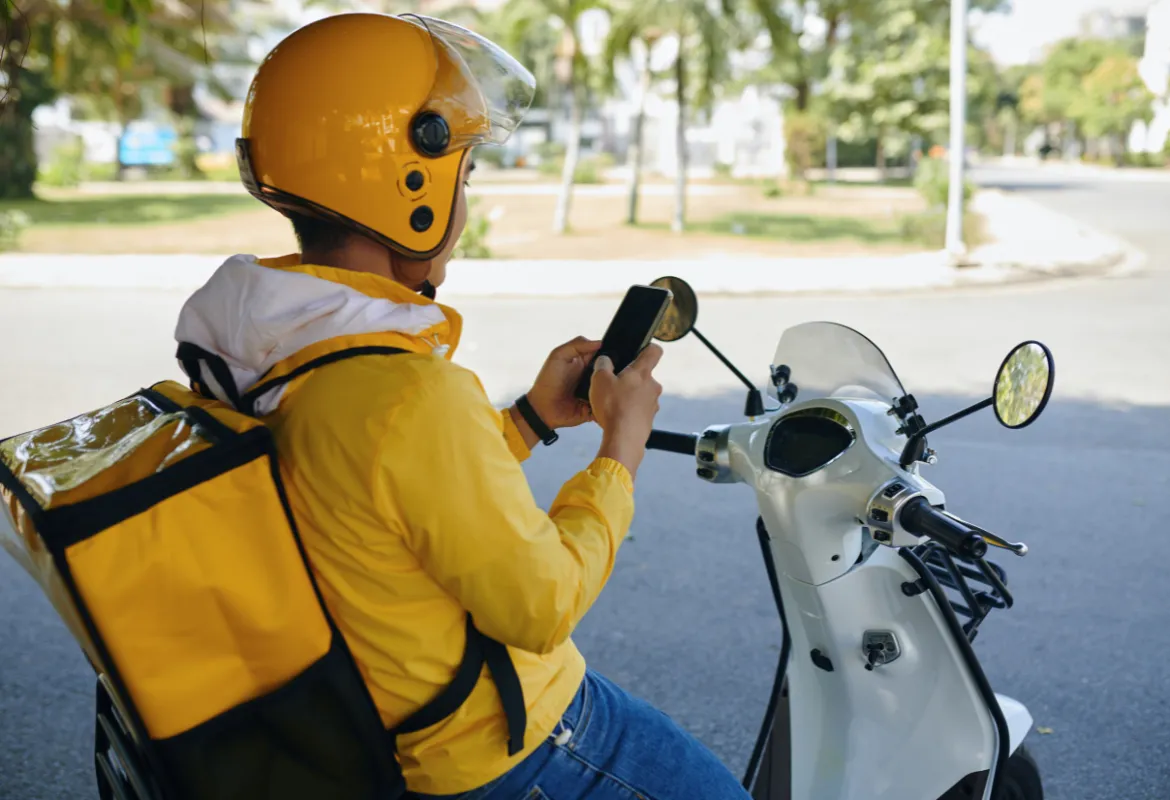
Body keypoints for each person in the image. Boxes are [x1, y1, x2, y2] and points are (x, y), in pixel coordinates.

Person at [173, 12, 752, 800]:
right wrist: (622, 447)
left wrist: (530, 423)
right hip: (517, 750)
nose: (466, 199)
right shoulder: (407, 391)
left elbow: (376, 493)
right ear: (406, 184)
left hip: (395, 737)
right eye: (465, 173)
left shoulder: (258, 350)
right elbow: (541, 606)